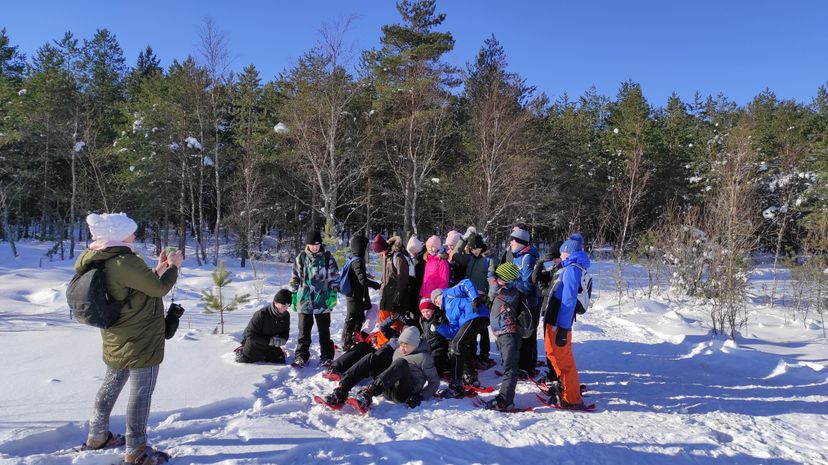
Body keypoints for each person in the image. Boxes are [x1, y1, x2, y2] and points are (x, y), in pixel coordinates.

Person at [77, 213, 182, 465]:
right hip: (140, 338)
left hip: (117, 335)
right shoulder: (123, 260)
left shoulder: (101, 256)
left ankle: (97, 435)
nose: (134, 235)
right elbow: (158, 289)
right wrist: (175, 266)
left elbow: (136, 288)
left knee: (111, 384)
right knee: (141, 393)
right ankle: (136, 450)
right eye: (130, 231)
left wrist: (160, 268)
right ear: (118, 235)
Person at [320, 326, 441, 412]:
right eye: (401, 345)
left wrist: (420, 396)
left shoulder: (424, 357)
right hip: (388, 388)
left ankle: (367, 395)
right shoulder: (398, 351)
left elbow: (434, 382)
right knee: (371, 357)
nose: (403, 349)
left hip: (405, 393)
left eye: (406, 346)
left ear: (415, 344)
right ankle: (342, 390)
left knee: (401, 362)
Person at [542, 239, 589, 409]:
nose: (560, 255)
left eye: (562, 252)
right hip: (555, 319)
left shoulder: (571, 270)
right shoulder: (569, 267)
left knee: (563, 358)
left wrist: (562, 328)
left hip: (559, 322)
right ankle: (565, 389)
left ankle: (572, 398)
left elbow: (568, 301)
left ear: (568, 252)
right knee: (554, 354)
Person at [289, 229, 340, 367]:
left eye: (318, 244)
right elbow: (295, 278)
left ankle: (327, 356)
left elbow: (335, 277)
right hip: (304, 301)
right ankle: (301, 356)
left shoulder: (328, 258)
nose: (315, 247)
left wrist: (333, 294)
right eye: (312, 244)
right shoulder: (301, 258)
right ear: (308, 245)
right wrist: (293, 295)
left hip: (323, 300)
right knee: (303, 331)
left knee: (324, 331)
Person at [431, 279, 489, 397]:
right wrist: (440, 327)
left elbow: (466, 283)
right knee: (458, 344)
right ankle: (469, 376)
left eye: (435, 299)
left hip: (476, 314)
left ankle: (456, 386)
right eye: (434, 303)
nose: (436, 302)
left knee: (457, 344)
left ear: (440, 294)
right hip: (469, 321)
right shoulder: (447, 312)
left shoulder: (449, 293)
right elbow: (453, 332)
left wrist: (475, 298)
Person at [451, 227, 493, 369]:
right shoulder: (469, 258)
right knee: (472, 324)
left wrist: (490, 296)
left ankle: (485, 354)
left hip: (483, 296)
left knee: (483, 327)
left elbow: (493, 277)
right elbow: (455, 255)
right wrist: (464, 238)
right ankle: (473, 353)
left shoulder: (488, 259)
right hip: (470, 297)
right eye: (472, 249)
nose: (475, 251)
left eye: (477, 248)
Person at [486, 262, 524, 411]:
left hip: (508, 333)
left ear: (507, 280)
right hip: (500, 333)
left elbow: (493, 283)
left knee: (510, 367)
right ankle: (505, 396)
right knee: (507, 364)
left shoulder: (512, 292)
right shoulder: (503, 288)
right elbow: (492, 280)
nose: (496, 280)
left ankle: (505, 400)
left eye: (499, 278)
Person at [508, 226, 541, 376]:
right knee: (521, 332)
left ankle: (528, 367)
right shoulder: (518, 256)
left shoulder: (527, 257)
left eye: (513, 241)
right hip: (521, 301)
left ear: (520, 242)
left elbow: (528, 285)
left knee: (528, 334)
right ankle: (523, 363)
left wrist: (510, 282)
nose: (511, 244)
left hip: (530, 302)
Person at [340, 234, 381, 351]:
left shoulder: (353, 260)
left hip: (355, 296)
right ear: (360, 248)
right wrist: (376, 285)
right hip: (354, 296)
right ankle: (346, 342)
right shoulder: (357, 261)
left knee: (358, 318)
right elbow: (362, 280)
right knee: (352, 318)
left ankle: (354, 339)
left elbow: (359, 276)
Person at [533, 239, 564, 382]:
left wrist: (546, 291)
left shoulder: (564, 271)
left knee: (554, 347)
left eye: (555, 258)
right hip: (548, 310)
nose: (553, 261)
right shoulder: (554, 269)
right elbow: (535, 279)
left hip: (556, 313)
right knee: (548, 345)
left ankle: (557, 375)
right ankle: (553, 372)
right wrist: (539, 263)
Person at [235, 289, 291, 364]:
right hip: (255, 347)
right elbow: (249, 335)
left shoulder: (286, 315)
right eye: (284, 305)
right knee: (243, 361)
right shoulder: (261, 314)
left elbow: (285, 332)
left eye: (288, 306)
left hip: (271, 348)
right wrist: (270, 341)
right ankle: (241, 350)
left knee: (281, 361)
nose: (286, 308)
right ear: (276, 302)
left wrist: (283, 339)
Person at [376, 235, 409, 347]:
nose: (380, 255)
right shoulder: (387, 256)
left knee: (394, 326)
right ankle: (381, 348)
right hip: (385, 299)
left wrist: (397, 298)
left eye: (379, 251)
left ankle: (390, 349)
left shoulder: (397, 257)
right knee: (382, 326)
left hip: (394, 301)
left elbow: (403, 280)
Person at [418, 297, 450, 376]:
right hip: (429, 347)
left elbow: (446, 332)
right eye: (423, 312)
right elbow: (426, 333)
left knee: (435, 361)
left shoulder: (439, 318)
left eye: (427, 311)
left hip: (439, 347)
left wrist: (438, 324)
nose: (425, 314)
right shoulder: (424, 320)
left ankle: (439, 370)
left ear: (433, 309)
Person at [420, 235, 450, 301]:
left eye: (433, 247)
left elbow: (444, 280)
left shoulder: (441, 262)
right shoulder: (428, 260)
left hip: (435, 296)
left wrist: (439, 294)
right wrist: (422, 292)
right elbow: (425, 278)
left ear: (438, 247)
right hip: (426, 295)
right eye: (428, 246)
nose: (430, 249)